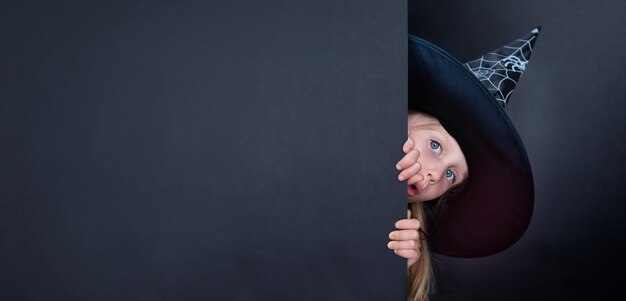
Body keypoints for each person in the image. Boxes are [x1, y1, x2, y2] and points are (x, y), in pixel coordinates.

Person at [386, 27, 541, 301]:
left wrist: (396, 276)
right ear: (406, 117)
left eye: (450, 175)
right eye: (435, 145)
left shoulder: (410, 247)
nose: (435, 174)